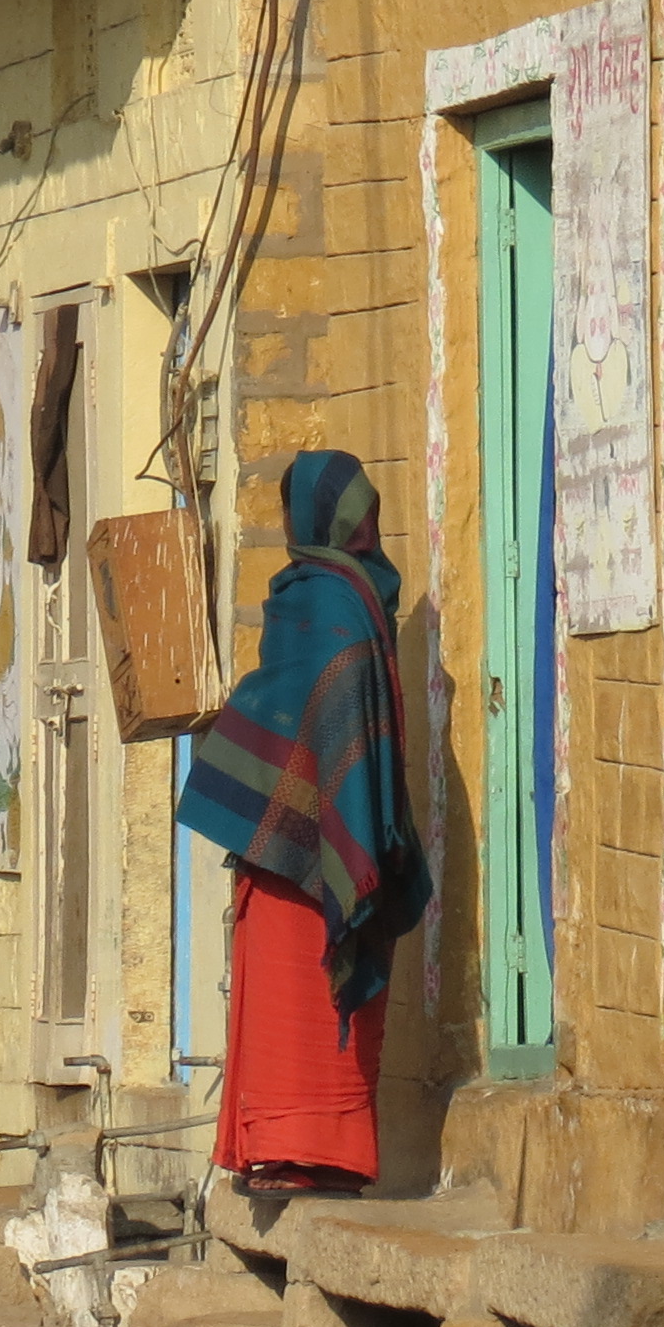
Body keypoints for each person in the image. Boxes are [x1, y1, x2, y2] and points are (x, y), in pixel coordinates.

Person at [177, 451, 432, 1194]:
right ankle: (284, 1148)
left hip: (317, 849)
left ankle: (322, 1152)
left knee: (307, 991)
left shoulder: (331, 604)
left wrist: (238, 727)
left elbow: (325, 704)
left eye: (291, 509)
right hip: (298, 841)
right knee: (286, 998)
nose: (287, 523)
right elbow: (297, 704)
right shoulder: (346, 596)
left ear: (315, 517)